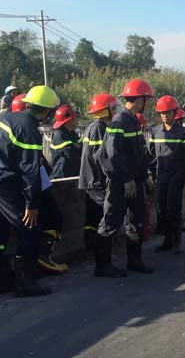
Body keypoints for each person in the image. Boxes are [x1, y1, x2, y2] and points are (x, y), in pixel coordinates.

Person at [0, 85, 60, 296]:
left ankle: (2, 280)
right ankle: (24, 283)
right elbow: (31, 172)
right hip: (6, 186)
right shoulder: (28, 129)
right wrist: (32, 204)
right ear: (47, 111)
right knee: (30, 229)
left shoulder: (4, 119)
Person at [94, 79, 155, 277]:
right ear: (139, 99)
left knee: (136, 220)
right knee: (111, 220)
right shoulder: (119, 121)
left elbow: (140, 152)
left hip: (135, 181)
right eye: (146, 99)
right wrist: (127, 179)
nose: (147, 102)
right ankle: (102, 266)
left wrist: (144, 175)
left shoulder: (133, 120)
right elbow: (113, 154)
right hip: (121, 181)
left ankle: (135, 261)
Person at [148, 95, 185, 253]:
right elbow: (151, 156)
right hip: (162, 176)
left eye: (167, 112)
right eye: (162, 113)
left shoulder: (183, 133)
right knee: (162, 209)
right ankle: (167, 241)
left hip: (177, 176)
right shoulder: (155, 132)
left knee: (173, 209)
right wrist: (151, 175)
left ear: (175, 113)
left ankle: (176, 242)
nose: (165, 115)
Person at [78, 93, 118, 256]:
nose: (115, 112)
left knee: (93, 218)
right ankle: (101, 254)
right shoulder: (99, 129)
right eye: (113, 109)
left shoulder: (92, 127)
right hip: (96, 182)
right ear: (105, 111)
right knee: (104, 218)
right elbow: (101, 158)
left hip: (90, 181)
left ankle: (92, 251)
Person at [50, 104, 82, 179]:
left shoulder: (72, 133)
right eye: (75, 117)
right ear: (69, 120)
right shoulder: (59, 135)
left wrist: (76, 146)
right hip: (62, 177)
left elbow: (83, 148)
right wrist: (76, 146)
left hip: (73, 174)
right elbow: (70, 153)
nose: (77, 120)